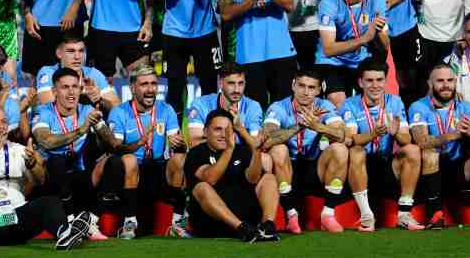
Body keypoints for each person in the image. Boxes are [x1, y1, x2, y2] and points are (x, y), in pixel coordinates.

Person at [0, 103, 93, 249]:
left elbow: (40, 180)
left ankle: (65, 234)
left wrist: (32, 165)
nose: (1, 126)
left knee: (49, 202)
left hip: (15, 217)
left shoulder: (18, 149)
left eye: (4, 121)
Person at [407, 63, 470, 229]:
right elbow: (421, 142)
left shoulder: (465, 107)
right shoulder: (418, 107)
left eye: (450, 80)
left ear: (455, 82)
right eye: (440, 81)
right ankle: (436, 215)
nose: (446, 85)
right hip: (430, 170)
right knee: (429, 153)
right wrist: (453, 135)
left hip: (459, 168)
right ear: (430, 83)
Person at [98, 66, 184, 239]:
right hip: (130, 173)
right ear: (132, 88)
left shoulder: (166, 110)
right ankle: (129, 223)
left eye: (153, 84)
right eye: (144, 84)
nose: (150, 89)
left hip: (157, 169)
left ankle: (177, 222)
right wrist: (139, 143)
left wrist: (180, 144)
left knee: (180, 159)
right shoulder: (120, 112)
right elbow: (115, 148)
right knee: (129, 159)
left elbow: (178, 144)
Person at [260, 70, 348, 234]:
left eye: (311, 87)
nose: (306, 92)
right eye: (301, 86)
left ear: (319, 90)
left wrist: (318, 126)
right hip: (287, 167)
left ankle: (328, 215)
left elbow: (343, 135)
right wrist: (301, 125)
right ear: (293, 85)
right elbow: (268, 139)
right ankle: (291, 216)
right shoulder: (278, 107)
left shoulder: (324, 106)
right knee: (278, 149)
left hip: (315, 166)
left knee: (340, 149)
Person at [341, 59, 420, 231]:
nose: (375, 85)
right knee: (356, 151)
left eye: (379, 80)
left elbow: (406, 140)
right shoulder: (350, 104)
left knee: (412, 150)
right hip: (360, 167)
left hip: (386, 165)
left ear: (385, 81)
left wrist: (395, 133)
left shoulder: (395, 102)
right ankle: (367, 217)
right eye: (369, 81)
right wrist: (374, 134)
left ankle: (404, 215)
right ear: (360, 82)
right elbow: (351, 139)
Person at [31, 67, 107, 237]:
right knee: (57, 162)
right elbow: (46, 141)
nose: (71, 92)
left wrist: (102, 121)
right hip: (49, 178)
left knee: (114, 162)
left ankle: (90, 221)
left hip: (79, 173)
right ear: (54, 91)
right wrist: (81, 131)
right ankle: (71, 221)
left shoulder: (87, 110)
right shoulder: (43, 112)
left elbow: (111, 144)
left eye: (75, 86)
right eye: (65, 87)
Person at [184, 108, 280, 242]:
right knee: (202, 187)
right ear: (205, 132)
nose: (224, 135)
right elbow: (210, 179)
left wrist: (256, 151)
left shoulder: (241, 150)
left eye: (228, 130)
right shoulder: (196, 153)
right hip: (211, 223)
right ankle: (241, 228)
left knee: (269, 178)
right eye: (218, 129)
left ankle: (267, 227)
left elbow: (253, 179)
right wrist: (229, 150)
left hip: (246, 215)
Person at [315, 0, 387, 106]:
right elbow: (328, 49)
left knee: (374, 99)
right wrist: (365, 38)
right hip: (332, 62)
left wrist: (378, 31)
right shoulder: (329, 3)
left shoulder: (377, 0)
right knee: (338, 100)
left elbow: (385, 46)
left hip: (361, 60)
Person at [32, 31, 117, 110]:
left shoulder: (93, 73)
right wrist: (83, 96)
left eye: (81, 51)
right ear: (59, 54)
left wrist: (100, 100)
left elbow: (116, 106)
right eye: (71, 51)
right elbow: (49, 105)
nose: (77, 57)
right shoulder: (48, 72)